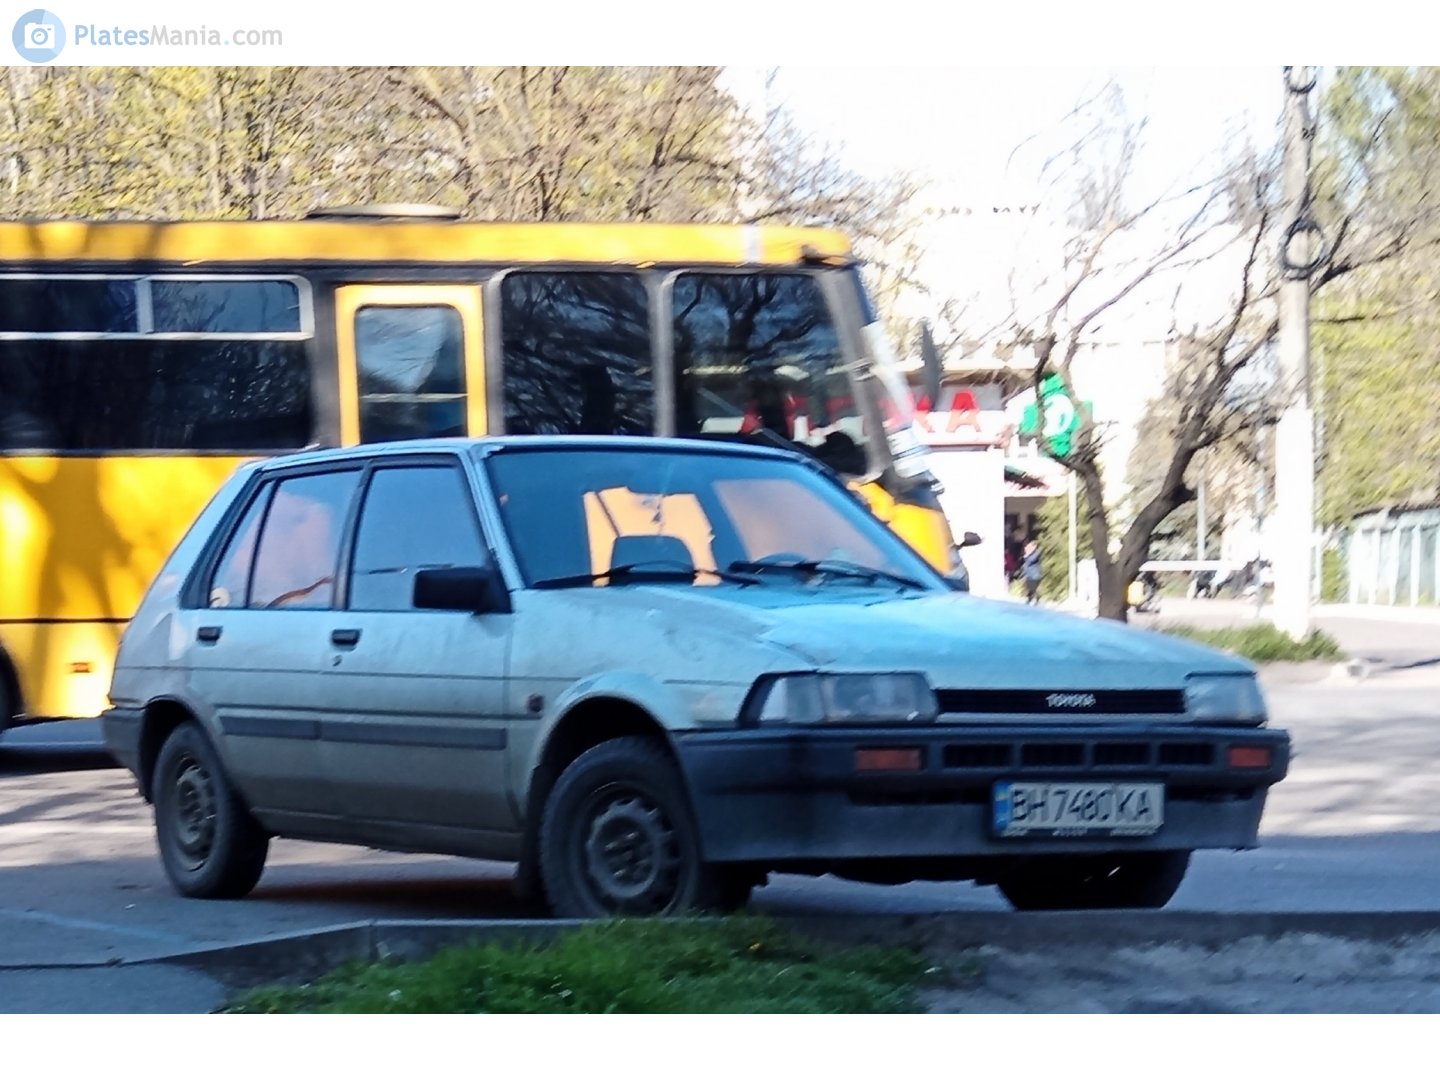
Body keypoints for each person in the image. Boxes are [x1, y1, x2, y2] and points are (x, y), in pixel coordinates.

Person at [1021, 539, 1042, 605]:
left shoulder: (1037, 553)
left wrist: (1027, 555)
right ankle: (1029, 599)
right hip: (1029, 574)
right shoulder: (1029, 553)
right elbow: (1026, 564)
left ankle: (1036, 600)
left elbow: (1031, 560)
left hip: (1035, 574)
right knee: (1029, 588)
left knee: (1033, 588)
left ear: (1034, 546)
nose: (1029, 547)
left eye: (1031, 546)